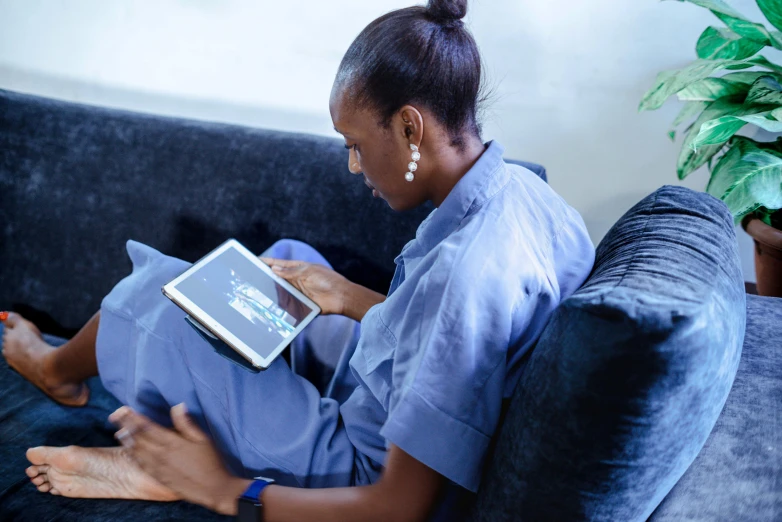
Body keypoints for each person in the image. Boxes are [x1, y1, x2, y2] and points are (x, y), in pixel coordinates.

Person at [0, 1, 595, 520]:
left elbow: (396, 507)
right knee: (284, 268)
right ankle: (196, 439)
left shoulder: (466, 275)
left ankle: (63, 377)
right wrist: (351, 298)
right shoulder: (526, 197)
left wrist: (225, 490)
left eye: (357, 145)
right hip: (388, 397)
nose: (354, 167)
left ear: (410, 127)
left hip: (359, 466)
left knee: (159, 294)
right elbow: (463, 350)